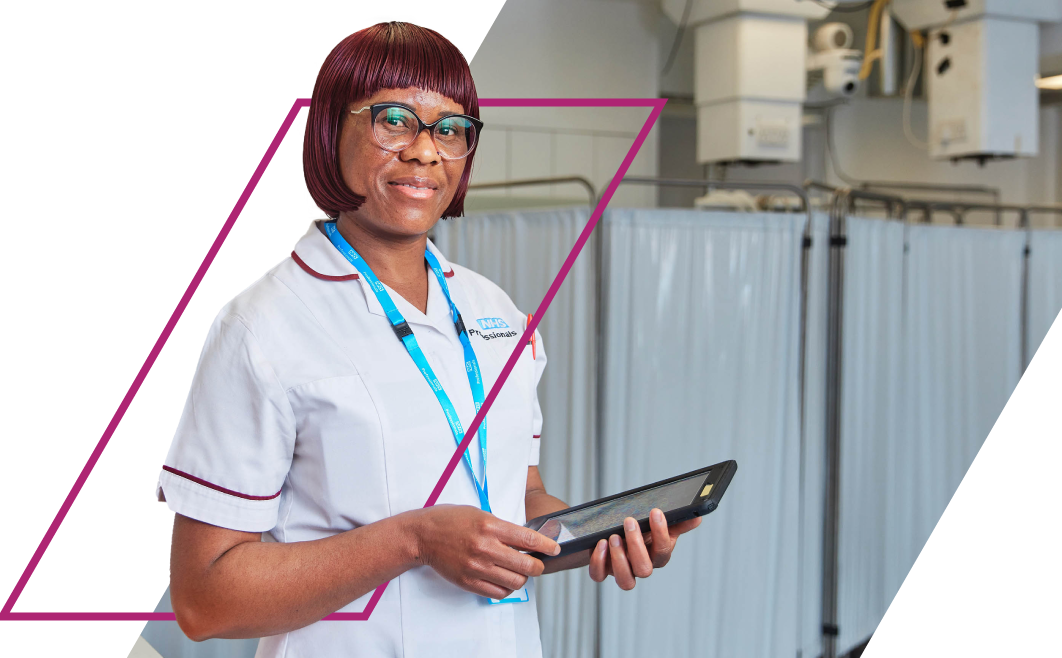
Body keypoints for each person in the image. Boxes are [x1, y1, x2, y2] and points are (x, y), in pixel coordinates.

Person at [157, 21, 702, 658]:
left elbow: (516, 497)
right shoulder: (262, 326)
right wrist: (413, 540)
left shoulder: (495, 311)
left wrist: (594, 534)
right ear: (331, 131)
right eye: (394, 119)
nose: (424, 151)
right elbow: (203, 598)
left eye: (449, 129)